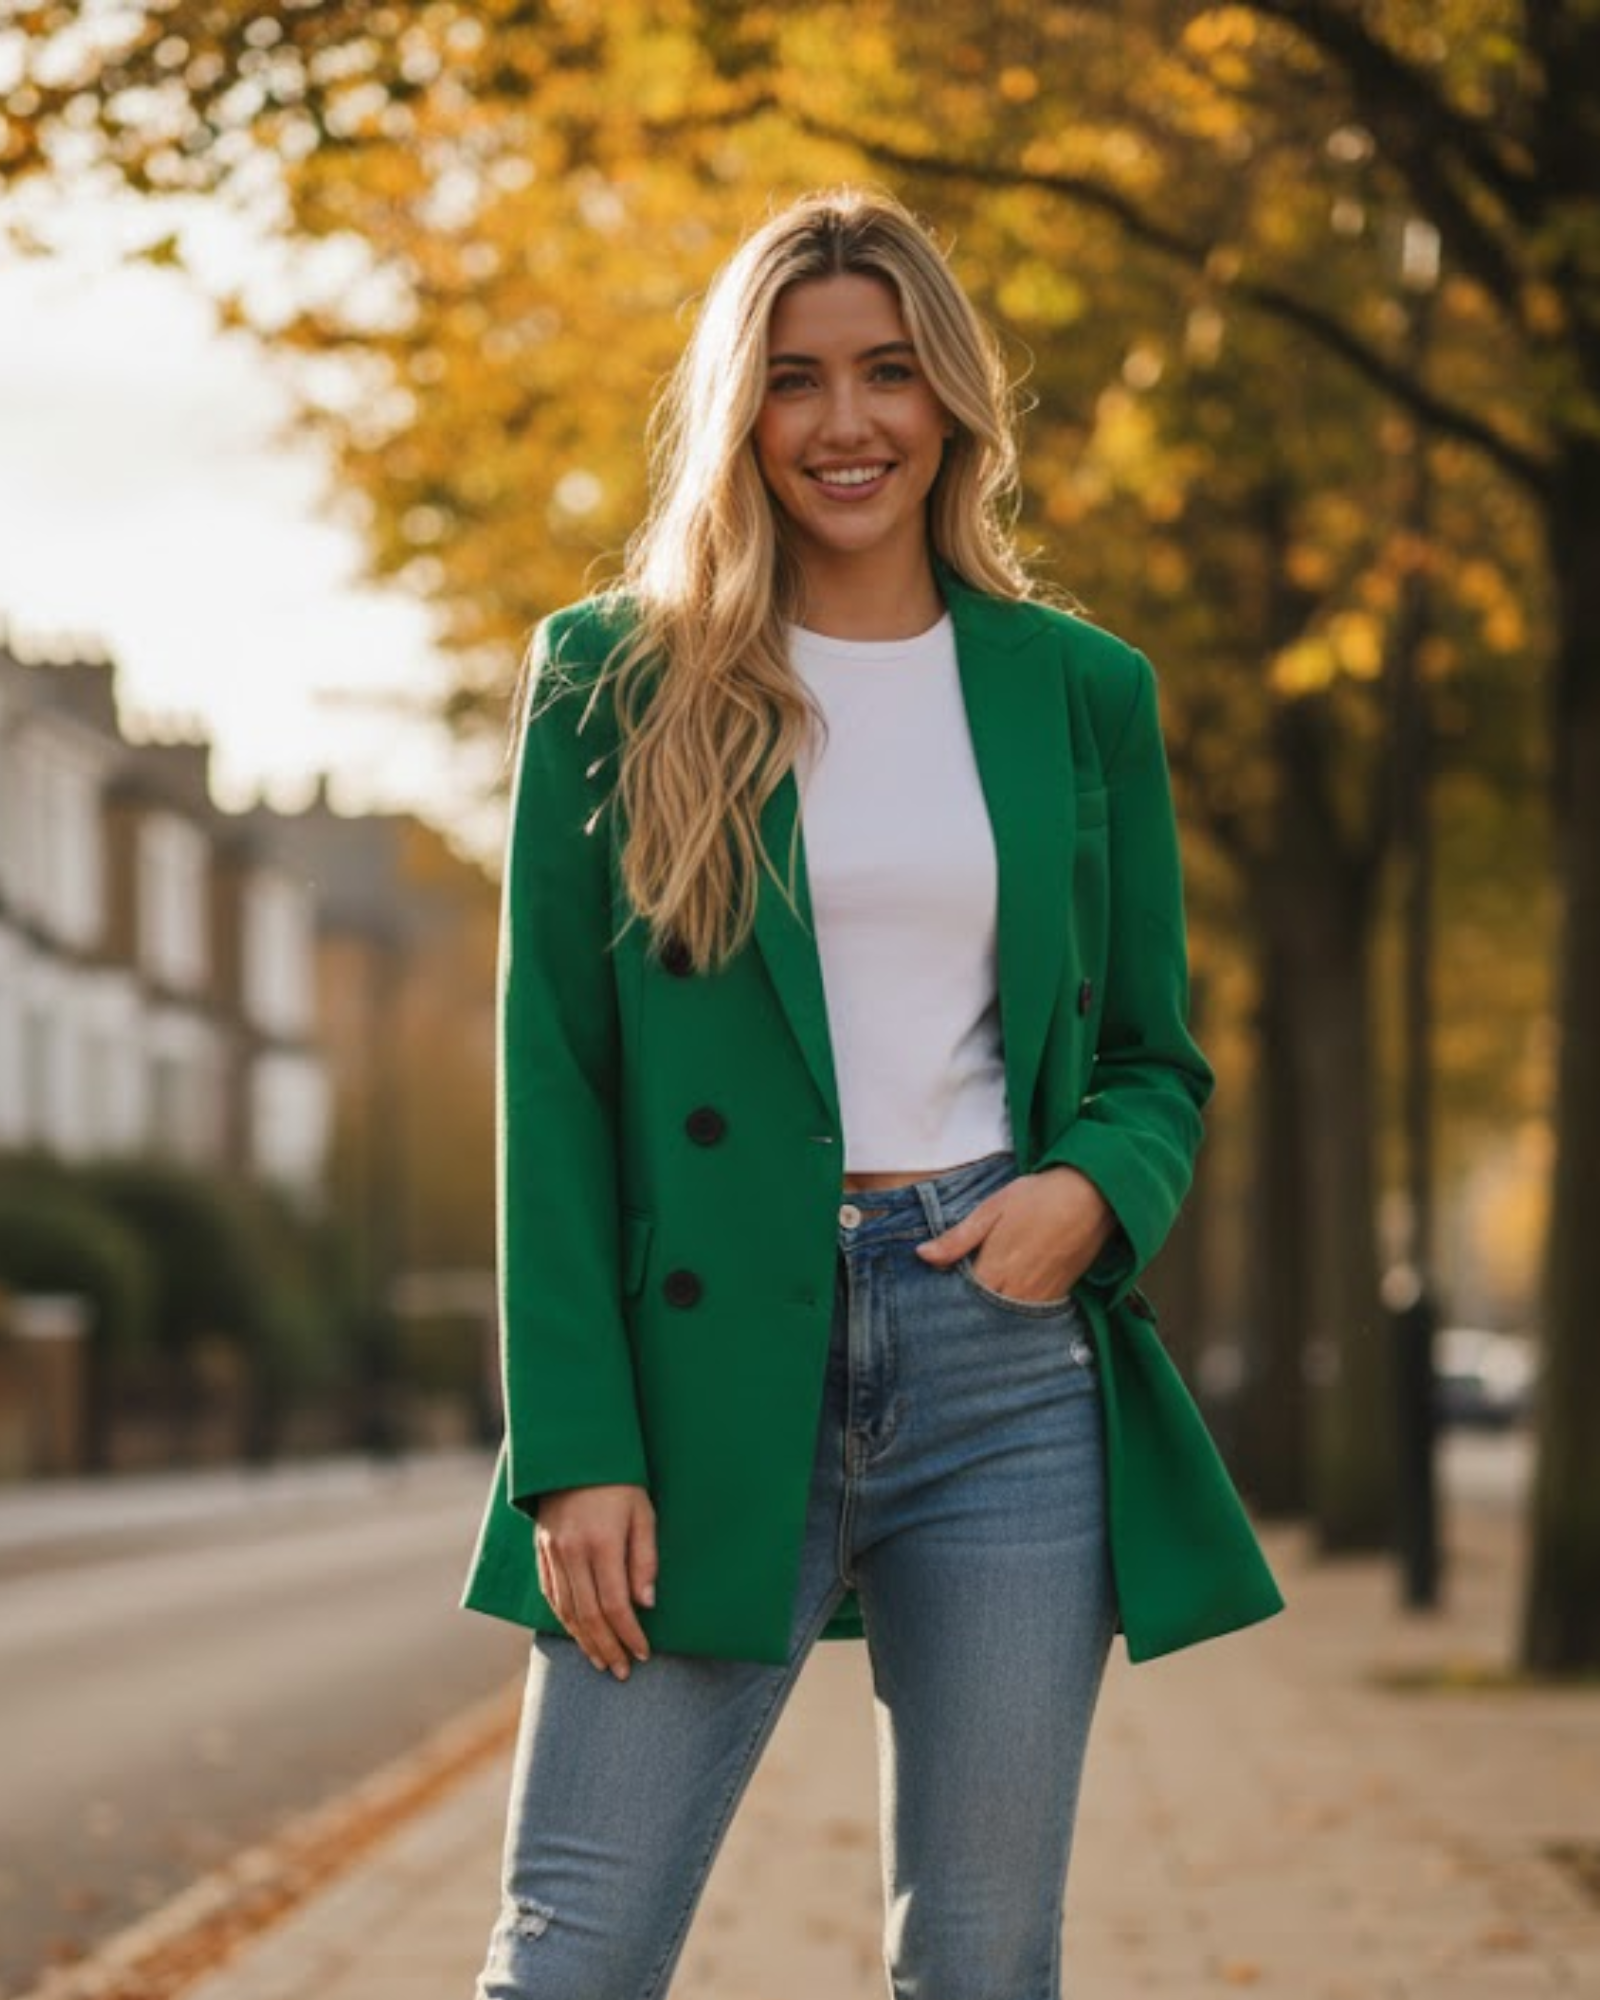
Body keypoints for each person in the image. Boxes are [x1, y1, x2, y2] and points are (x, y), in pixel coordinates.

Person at [461, 185, 1283, 1999]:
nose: (847, 425)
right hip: (698, 1374)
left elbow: (1152, 1056)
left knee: (983, 1964)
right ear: (740, 412)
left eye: (891, 374)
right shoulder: (612, 680)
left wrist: (1090, 1197)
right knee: (571, 1954)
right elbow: (557, 1078)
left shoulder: (1082, 693)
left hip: (1002, 1357)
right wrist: (574, 1453)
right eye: (798, 379)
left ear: (955, 402)